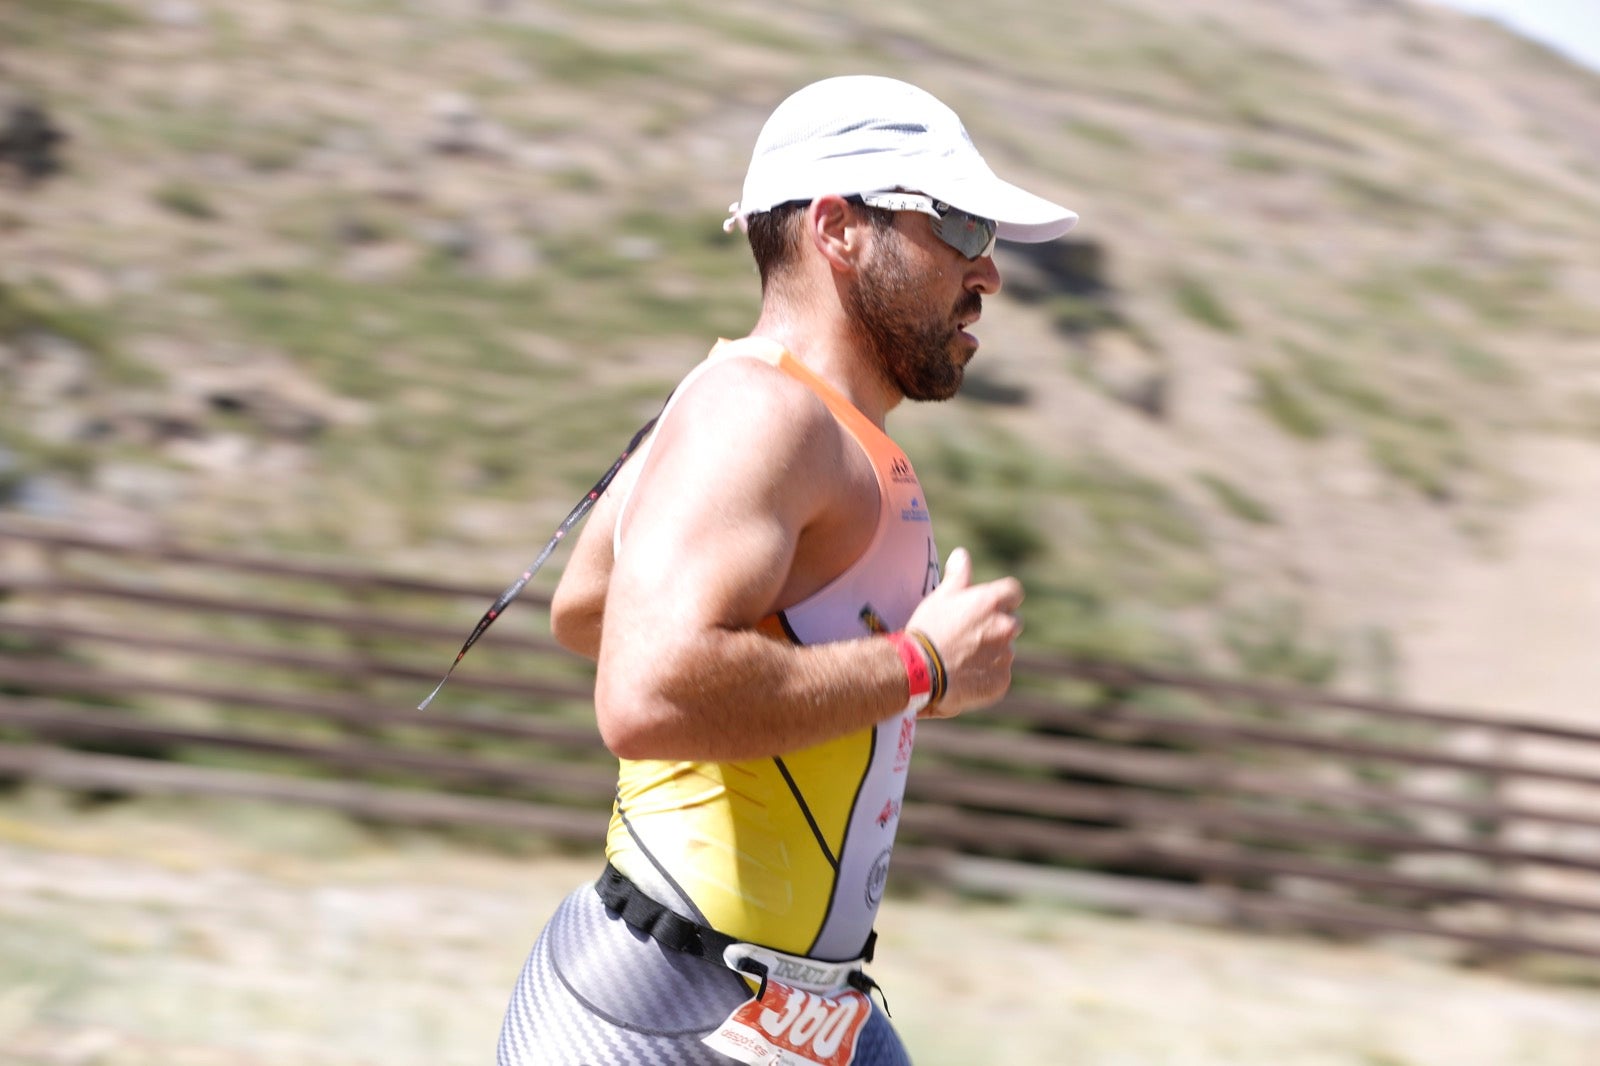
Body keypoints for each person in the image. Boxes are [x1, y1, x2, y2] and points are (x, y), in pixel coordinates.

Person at [495, 74, 1077, 1065]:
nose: (989, 274)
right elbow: (642, 690)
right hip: (663, 1007)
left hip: (791, 1010)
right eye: (964, 228)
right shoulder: (758, 413)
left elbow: (590, 608)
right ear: (838, 228)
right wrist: (915, 667)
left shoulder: (779, 410)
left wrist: (850, 669)